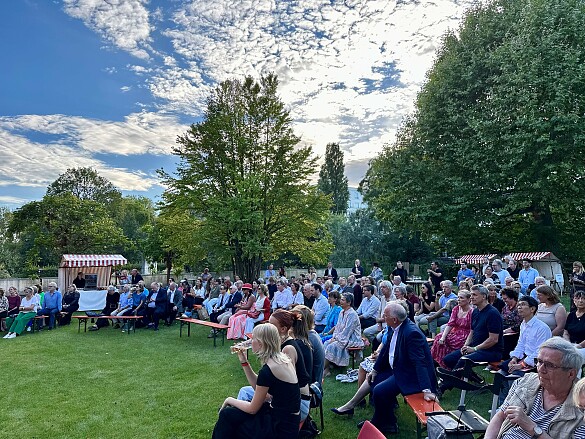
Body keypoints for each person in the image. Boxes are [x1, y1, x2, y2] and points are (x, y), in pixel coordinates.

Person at [357, 303, 438, 434]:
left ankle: (383, 423)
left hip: (411, 376)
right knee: (374, 381)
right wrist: (375, 370)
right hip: (400, 369)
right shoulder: (396, 327)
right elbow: (385, 352)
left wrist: (427, 390)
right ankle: (386, 420)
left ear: (394, 319)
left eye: (385, 315)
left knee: (379, 391)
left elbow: (420, 363)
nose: (383, 318)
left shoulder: (411, 333)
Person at [485, 337, 585, 439]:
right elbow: (500, 416)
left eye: (550, 365)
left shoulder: (581, 407)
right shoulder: (526, 382)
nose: (541, 369)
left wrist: (532, 427)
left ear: (571, 373)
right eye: (539, 361)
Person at [213, 323, 300, 439]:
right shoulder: (282, 359)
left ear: (261, 343)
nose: (250, 341)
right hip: (285, 419)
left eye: (253, 338)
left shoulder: (269, 368)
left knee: (227, 417)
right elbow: (258, 386)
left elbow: (252, 409)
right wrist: (244, 362)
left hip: (280, 427)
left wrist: (229, 400)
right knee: (229, 414)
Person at [496, 296, 552, 405]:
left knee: (514, 377)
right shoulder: (523, 324)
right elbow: (521, 344)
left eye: (523, 305)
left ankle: (514, 404)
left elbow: (540, 352)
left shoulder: (542, 328)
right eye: (519, 305)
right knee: (501, 373)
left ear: (532, 309)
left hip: (536, 362)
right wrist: (514, 358)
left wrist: (521, 365)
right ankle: (501, 404)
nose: (519, 308)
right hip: (523, 358)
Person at [441, 285, 503, 380]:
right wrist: (465, 346)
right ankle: (475, 379)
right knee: (448, 359)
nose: (471, 297)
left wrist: (474, 349)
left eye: (474, 295)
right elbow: (472, 331)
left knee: (463, 360)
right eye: (470, 295)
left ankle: (444, 385)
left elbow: (493, 340)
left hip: (491, 351)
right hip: (476, 347)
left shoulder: (493, 313)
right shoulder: (475, 312)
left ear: (484, 296)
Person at [323, 292, 364, 377]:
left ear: (349, 303)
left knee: (332, 346)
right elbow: (337, 327)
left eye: (343, 300)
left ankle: (323, 369)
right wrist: (334, 337)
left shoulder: (352, 314)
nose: (340, 301)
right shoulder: (342, 312)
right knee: (327, 342)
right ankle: (326, 369)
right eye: (341, 299)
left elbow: (347, 331)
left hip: (352, 338)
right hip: (342, 336)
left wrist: (337, 339)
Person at [431, 290, 473, 368]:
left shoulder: (472, 312)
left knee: (448, 342)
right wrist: (443, 337)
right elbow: (450, 324)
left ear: (468, 300)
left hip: (465, 335)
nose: (458, 300)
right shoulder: (456, 309)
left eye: (461, 298)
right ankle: (436, 363)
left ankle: (446, 365)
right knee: (439, 338)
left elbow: (472, 330)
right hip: (455, 332)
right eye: (458, 297)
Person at [501, 287, 522, 359]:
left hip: (516, 332)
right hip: (505, 329)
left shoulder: (519, 308)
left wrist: (506, 331)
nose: (504, 300)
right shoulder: (505, 307)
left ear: (512, 298)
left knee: (506, 338)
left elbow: (519, 325)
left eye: (505, 298)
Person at [563, 290, 585, 361]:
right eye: (578, 298)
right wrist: (568, 344)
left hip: (582, 346)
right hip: (570, 345)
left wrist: (578, 346)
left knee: (572, 359)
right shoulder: (571, 315)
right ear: (574, 300)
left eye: (583, 298)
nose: (581, 301)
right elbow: (565, 332)